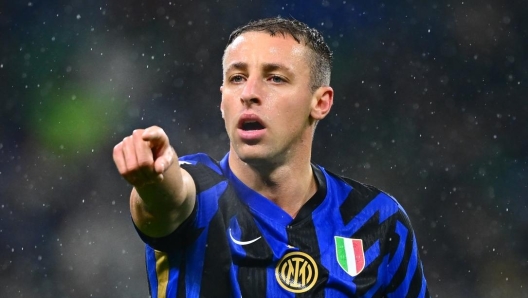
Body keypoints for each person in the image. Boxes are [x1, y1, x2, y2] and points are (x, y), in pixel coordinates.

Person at [113, 17, 430, 298]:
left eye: (275, 78)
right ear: (222, 100)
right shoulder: (201, 189)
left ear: (320, 102)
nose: (248, 93)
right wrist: (154, 178)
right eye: (237, 78)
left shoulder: (377, 219)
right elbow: (169, 198)